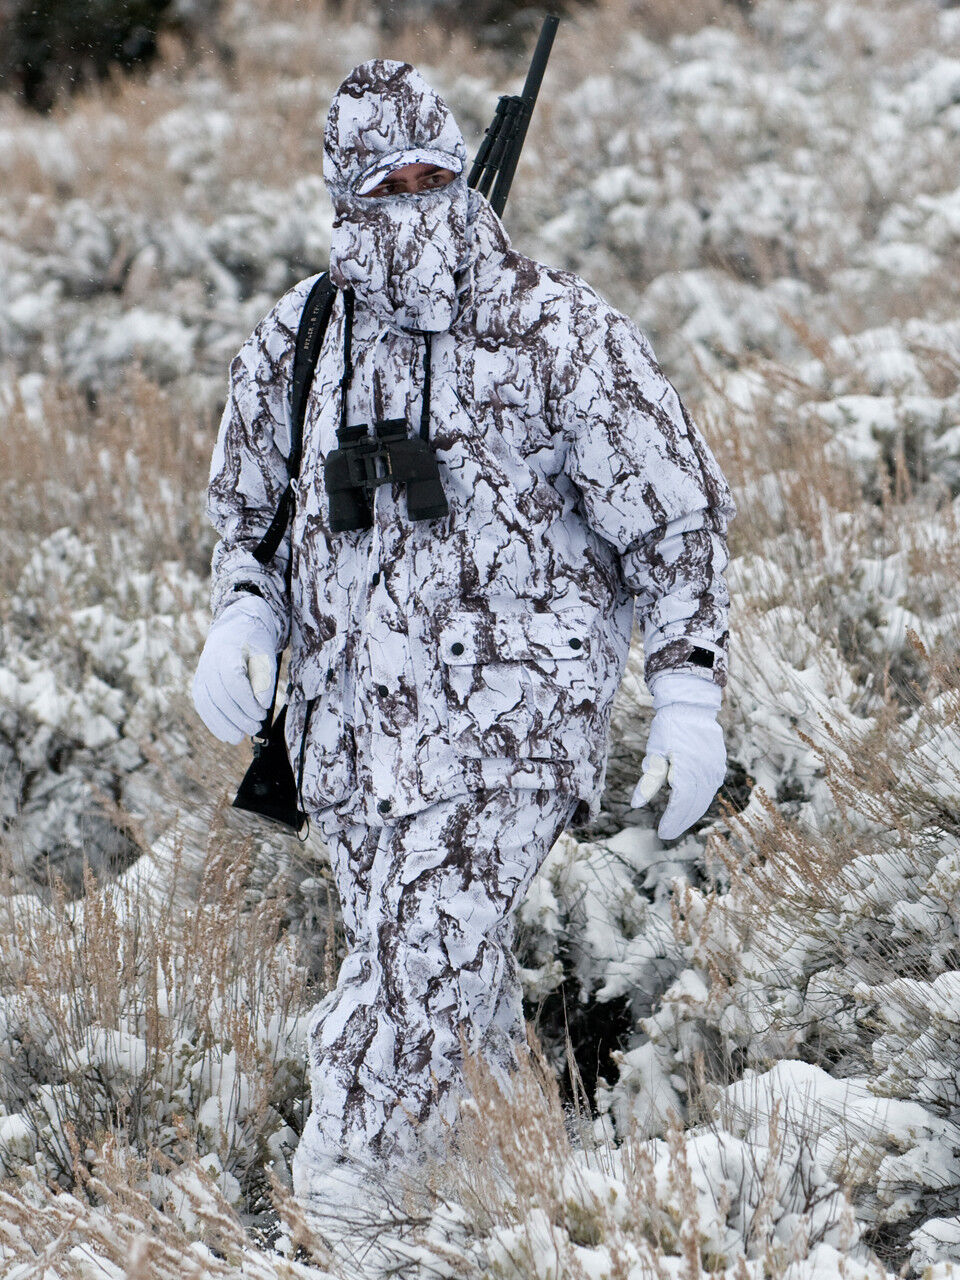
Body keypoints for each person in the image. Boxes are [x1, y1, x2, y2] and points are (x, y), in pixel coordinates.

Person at [192, 58, 736, 1212]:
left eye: (437, 169)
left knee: (407, 983)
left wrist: (689, 691)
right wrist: (245, 608)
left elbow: (675, 513)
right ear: (341, 197)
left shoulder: (555, 328)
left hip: (510, 742)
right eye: (386, 181)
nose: (417, 194)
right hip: (352, 752)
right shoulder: (299, 341)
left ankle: (337, 1206)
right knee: (452, 997)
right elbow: (249, 515)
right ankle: (506, 1207)